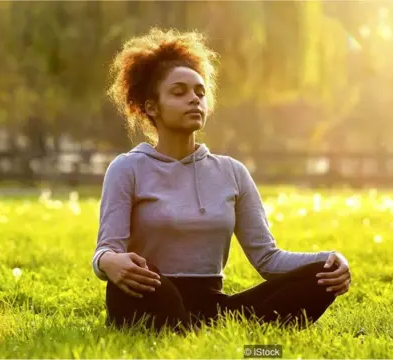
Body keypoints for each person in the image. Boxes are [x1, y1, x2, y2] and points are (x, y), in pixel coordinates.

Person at [92, 27, 352, 334]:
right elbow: (106, 250)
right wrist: (109, 263)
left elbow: (268, 259)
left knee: (320, 277)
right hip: (149, 293)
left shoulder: (232, 172)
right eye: (179, 92)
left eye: (200, 93)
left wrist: (331, 260)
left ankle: (195, 332)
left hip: (213, 306)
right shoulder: (127, 168)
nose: (194, 100)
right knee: (148, 287)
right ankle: (188, 331)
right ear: (151, 107)